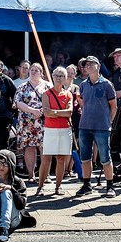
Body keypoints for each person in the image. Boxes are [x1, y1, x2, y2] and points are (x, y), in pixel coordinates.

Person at [76, 56, 117, 197]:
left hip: (102, 127)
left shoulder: (106, 84)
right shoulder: (83, 85)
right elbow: (82, 101)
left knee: (105, 157)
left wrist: (108, 121)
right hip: (85, 125)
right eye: (85, 65)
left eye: (90, 64)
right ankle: (87, 184)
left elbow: (114, 106)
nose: (87, 66)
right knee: (85, 157)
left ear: (98, 66)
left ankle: (110, 186)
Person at [39, 67, 73, 195]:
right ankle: (40, 186)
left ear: (65, 78)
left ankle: (58, 187)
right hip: (50, 129)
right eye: (56, 75)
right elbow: (46, 112)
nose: (58, 78)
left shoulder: (68, 94)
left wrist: (54, 112)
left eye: (61, 75)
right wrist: (61, 113)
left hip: (64, 129)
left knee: (61, 159)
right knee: (46, 158)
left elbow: (69, 112)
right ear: (52, 77)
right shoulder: (46, 94)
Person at [14, 63, 50, 183]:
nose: (33, 72)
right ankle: (31, 175)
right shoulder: (23, 87)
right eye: (32, 70)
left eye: (36, 70)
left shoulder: (47, 86)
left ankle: (45, 175)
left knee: (44, 148)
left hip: (43, 121)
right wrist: (32, 111)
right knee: (29, 148)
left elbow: (52, 102)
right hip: (26, 122)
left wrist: (40, 111)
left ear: (41, 73)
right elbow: (18, 102)